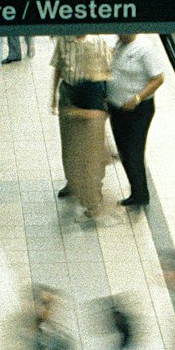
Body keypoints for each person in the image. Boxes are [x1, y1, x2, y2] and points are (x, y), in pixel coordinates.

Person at [52, 33, 115, 221]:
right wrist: (54, 96)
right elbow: (58, 67)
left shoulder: (98, 43)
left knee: (90, 150)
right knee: (68, 142)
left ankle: (94, 191)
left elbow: (109, 75)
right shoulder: (64, 40)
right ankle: (72, 182)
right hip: (69, 91)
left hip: (89, 99)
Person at [108, 33, 168, 209]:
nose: (118, 34)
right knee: (124, 150)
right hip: (117, 108)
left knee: (133, 151)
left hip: (137, 111)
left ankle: (140, 195)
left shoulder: (145, 49)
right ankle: (136, 189)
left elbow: (158, 78)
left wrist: (137, 98)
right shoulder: (120, 44)